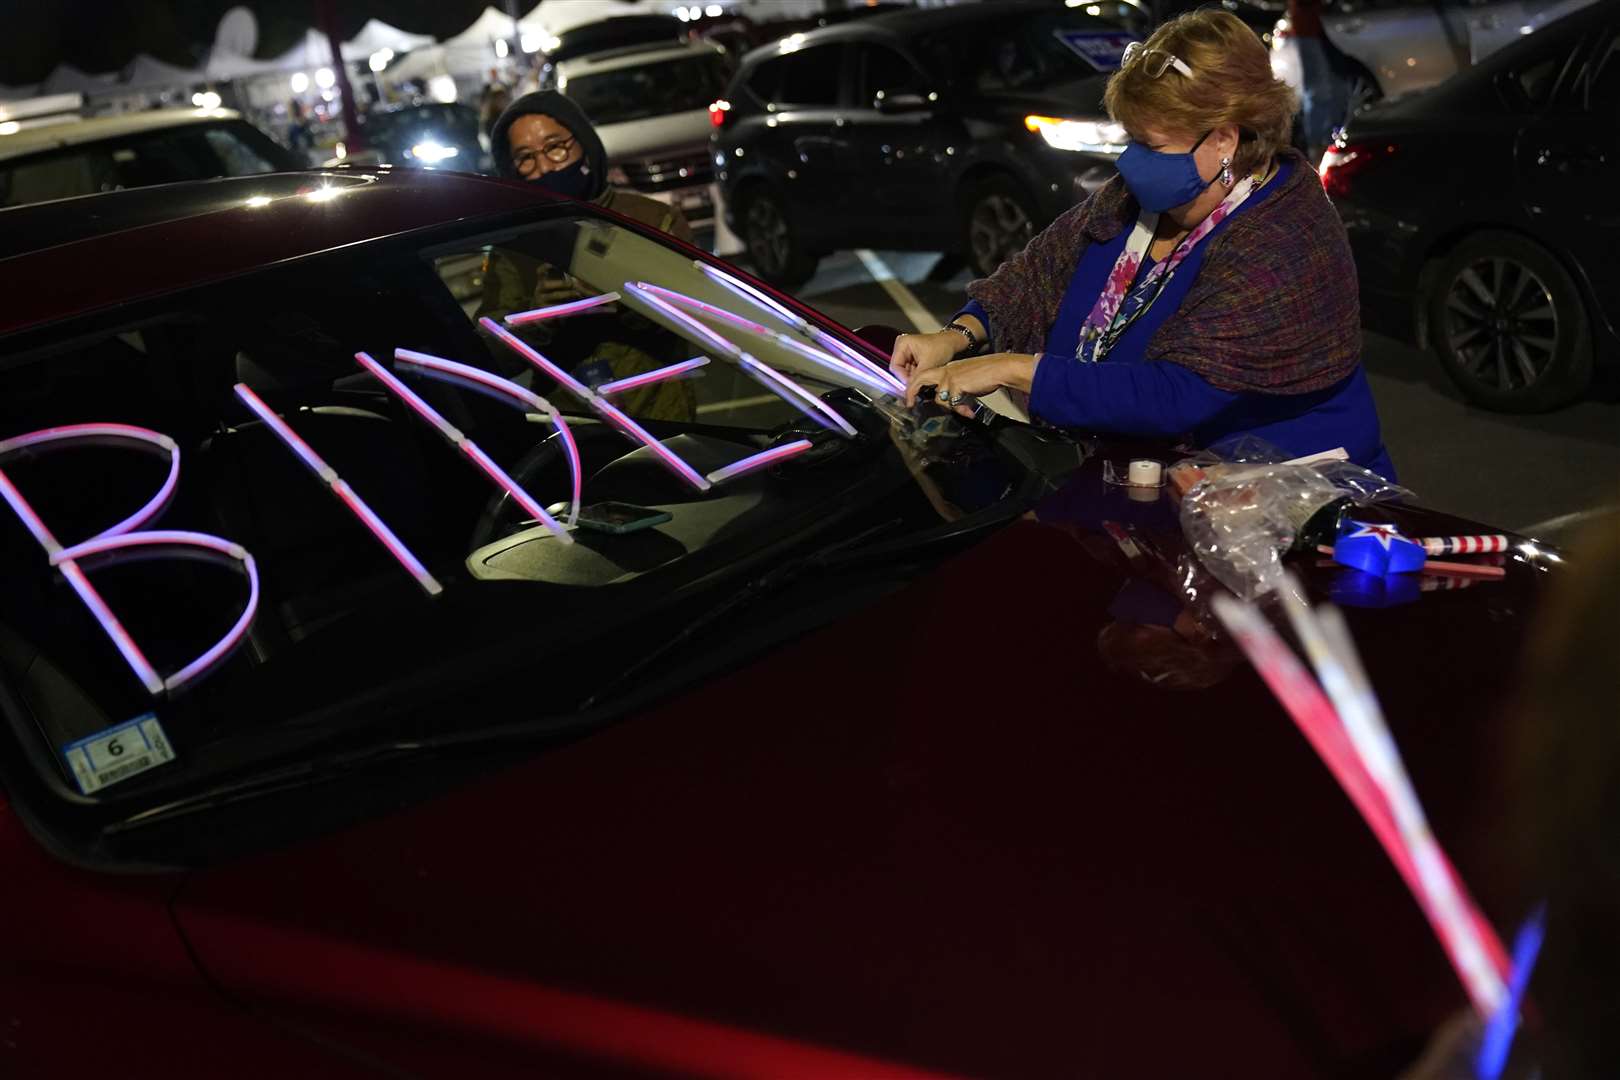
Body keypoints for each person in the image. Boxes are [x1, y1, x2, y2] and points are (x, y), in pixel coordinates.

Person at [891, 11, 1394, 480]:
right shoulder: (1132, 203)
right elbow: (1035, 276)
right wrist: (956, 337)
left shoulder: (1285, 239)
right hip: (1139, 487)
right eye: (1130, 139)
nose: (1131, 163)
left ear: (1223, 139)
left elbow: (1177, 393)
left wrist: (1010, 369)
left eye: (1151, 146)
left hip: (1279, 506)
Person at [489, 91, 694, 243]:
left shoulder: (655, 221)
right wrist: (539, 301)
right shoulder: (517, 246)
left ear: (585, 145)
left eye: (554, 147)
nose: (544, 167)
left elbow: (693, 295)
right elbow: (502, 300)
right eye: (525, 157)